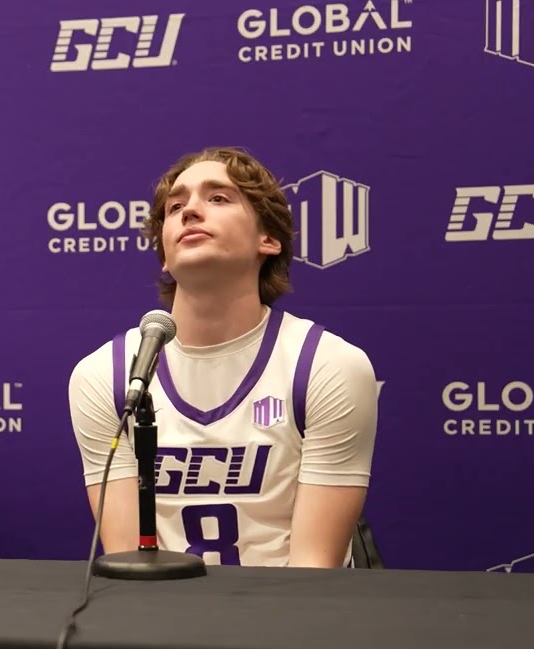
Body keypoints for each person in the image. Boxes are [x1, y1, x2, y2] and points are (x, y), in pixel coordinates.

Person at [67, 147, 378, 568]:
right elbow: (127, 562)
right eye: (176, 206)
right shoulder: (106, 375)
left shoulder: (328, 366)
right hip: (157, 624)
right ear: (163, 250)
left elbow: (313, 572)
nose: (190, 210)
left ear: (267, 239)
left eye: (218, 198)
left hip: (292, 620)